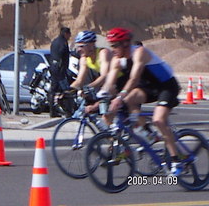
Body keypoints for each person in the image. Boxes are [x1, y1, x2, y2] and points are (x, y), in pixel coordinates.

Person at [100, 27, 182, 176]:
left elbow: (134, 78)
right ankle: (148, 134)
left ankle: (177, 160)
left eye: (115, 45)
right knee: (128, 101)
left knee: (159, 120)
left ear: (125, 44)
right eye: (110, 45)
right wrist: (102, 95)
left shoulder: (139, 52)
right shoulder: (117, 60)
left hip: (166, 86)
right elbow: (110, 82)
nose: (112, 49)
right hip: (148, 87)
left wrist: (120, 96)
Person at [70, 31, 112, 114]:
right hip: (107, 83)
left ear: (91, 45)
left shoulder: (103, 53)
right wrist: (68, 91)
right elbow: (79, 80)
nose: (78, 50)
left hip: (119, 80)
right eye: (77, 46)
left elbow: (104, 76)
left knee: (103, 111)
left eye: (81, 46)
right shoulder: (84, 58)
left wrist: (88, 87)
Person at [49, 27, 71, 117]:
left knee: (53, 90)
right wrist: (63, 69)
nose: (70, 36)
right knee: (65, 90)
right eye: (69, 34)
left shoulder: (54, 41)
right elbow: (62, 56)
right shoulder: (63, 42)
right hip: (60, 70)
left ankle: (53, 111)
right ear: (66, 33)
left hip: (53, 68)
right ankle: (67, 111)